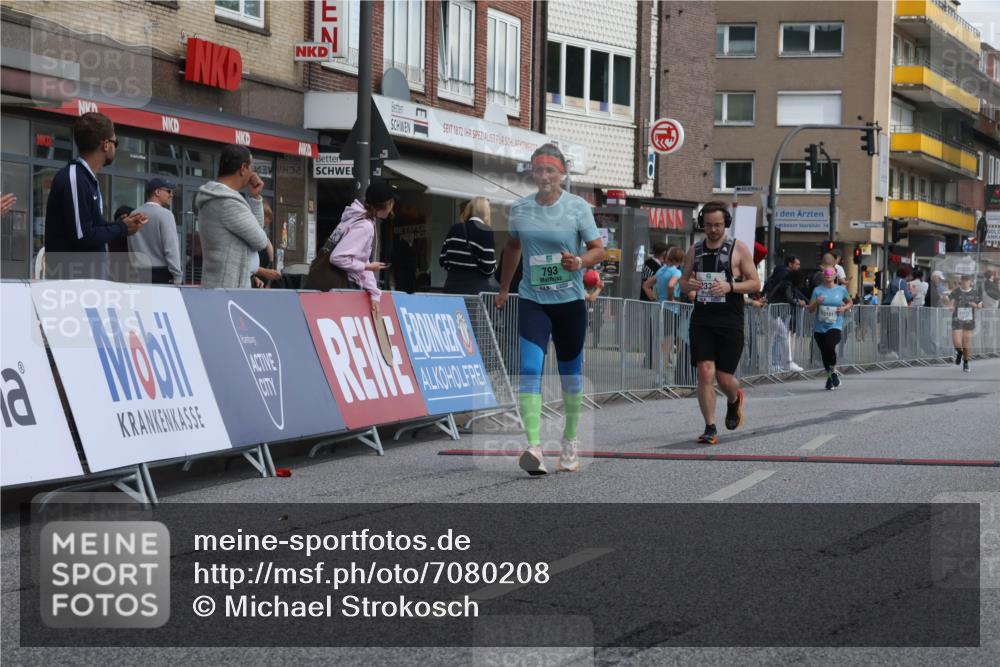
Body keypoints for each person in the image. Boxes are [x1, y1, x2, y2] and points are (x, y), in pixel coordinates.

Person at [495, 144, 604, 476]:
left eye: (550, 171)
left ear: (562, 174)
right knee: (530, 368)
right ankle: (534, 446)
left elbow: (599, 250)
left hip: (569, 302)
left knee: (571, 376)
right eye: (539, 170)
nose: (544, 176)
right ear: (532, 172)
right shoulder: (520, 209)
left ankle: (570, 441)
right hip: (532, 300)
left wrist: (580, 261)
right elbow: (513, 247)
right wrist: (503, 288)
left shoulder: (577, 208)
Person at [679, 201, 761, 445]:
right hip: (703, 317)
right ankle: (710, 426)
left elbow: (756, 283)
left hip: (730, 318)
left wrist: (731, 286)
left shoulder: (739, 248)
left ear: (726, 223)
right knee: (705, 371)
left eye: (718, 225)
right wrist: (689, 286)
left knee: (725, 378)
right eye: (708, 225)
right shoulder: (694, 250)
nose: (713, 230)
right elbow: (682, 282)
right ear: (701, 224)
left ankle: (734, 399)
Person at [43, 112, 147, 279]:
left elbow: (93, 228)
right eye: (116, 142)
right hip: (72, 284)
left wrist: (122, 224)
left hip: (86, 281)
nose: (115, 147)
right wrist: (121, 228)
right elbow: (83, 235)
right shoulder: (75, 177)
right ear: (106, 145)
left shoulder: (85, 178)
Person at [195, 145, 269, 289]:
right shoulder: (229, 203)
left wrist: (255, 197)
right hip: (229, 290)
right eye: (251, 167)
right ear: (243, 168)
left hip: (216, 284)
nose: (252, 173)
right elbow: (260, 240)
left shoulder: (213, 198)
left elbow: (255, 230)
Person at [326, 180, 395, 312]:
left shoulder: (356, 218)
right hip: (345, 286)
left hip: (338, 285)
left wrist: (374, 292)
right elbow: (337, 257)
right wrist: (367, 266)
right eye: (392, 203)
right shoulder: (364, 225)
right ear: (387, 204)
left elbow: (361, 258)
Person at [643, 246, 686, 382]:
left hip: (658, 307)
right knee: (666, 345)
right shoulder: (677, 272)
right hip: (671, 310)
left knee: (659, 343)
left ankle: (658, 375)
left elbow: (646, 285)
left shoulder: (661, 270)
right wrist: (671, 299)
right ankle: (661, 377)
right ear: (680, 259)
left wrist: (653, 298)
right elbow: (671, 285)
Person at [130, 178, 183, 285]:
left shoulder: (134, 214)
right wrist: (177, 275)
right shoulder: (165, 214)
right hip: (161, 273)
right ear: (157, 192)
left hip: (138, 272)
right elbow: (171, 248)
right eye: (169, 191)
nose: (171, 195)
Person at [807, 267, 853, 390]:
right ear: (823, 275)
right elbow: (810, 309)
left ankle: (833, 373)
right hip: (820, 327)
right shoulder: (817, 290)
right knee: (825, 354)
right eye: (826, 274)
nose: (828, 276)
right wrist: (816, 302)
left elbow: (850, 302)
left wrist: (843, 308)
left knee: (830, 347)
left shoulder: (841, 290)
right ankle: (830, 377)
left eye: (830, 274)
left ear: (835, 276)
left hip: (835, 325)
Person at [439, 196, 496, 294]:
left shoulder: (455, 228)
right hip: (474, 291)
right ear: (486, 212)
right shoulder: (486, 231)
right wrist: (495, 265)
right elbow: (488, 268)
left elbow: (442, 260)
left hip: (451, 287)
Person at [766, 269, 808, 373]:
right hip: (773, 314)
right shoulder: (787, 284)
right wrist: (798, 302)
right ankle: (785, 363)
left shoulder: (785, 283)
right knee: (782, 336)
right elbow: (788, 298)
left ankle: (776, 364)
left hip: (773, 313)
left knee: (776, 338)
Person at [950, 274, 983, 373]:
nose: (964, 282)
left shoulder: (975, 293)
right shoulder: (956, 291)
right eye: (963, 280)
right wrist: (950, 306)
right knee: (956, 341)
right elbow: (950, 300)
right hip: (957, 319)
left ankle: (965, 363)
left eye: (966, 280)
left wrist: (976, 305)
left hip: (969, 320)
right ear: (961, 281)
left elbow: (980, 305)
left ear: (970, 281)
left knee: (966, 342)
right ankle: (959, 352)